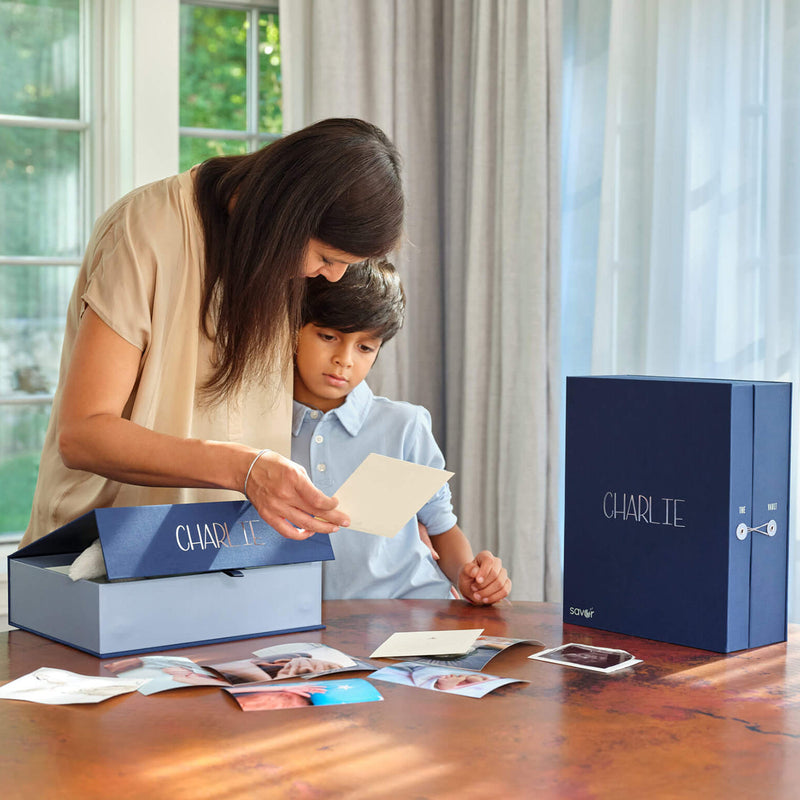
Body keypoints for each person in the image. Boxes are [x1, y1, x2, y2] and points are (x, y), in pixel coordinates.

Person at [20, 118, 404, 547]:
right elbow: (83, 434)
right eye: (327, 257)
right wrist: (243, 467)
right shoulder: (147, 231)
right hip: (99, 561)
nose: (333, 277)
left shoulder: (287, 265)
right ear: (287, 215)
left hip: (228, 558)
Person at [292, 259, 511, 604]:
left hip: (413, 613)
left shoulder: (404, 425)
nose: (344, 359)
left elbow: (441, 526)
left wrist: (470, 577)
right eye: (328, 336)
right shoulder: (259, 427)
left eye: (365, 347)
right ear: (293, 329)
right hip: (309, 631)